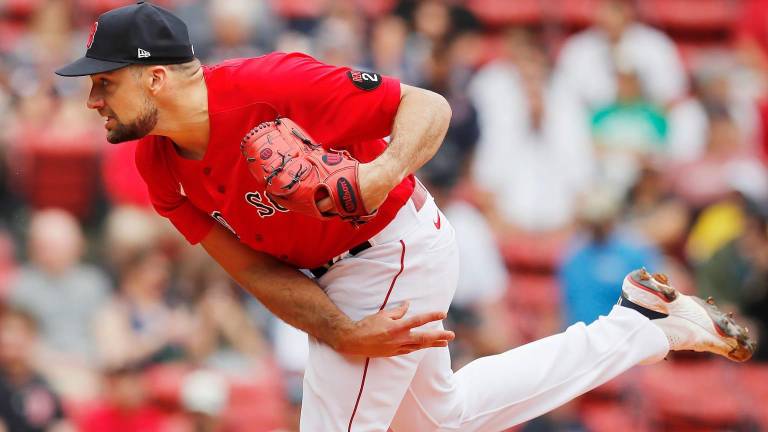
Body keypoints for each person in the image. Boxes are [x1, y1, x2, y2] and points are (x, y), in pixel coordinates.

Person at [56, 3, 756, 431]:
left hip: (390, 247)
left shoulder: (271, 82)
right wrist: (340, 329)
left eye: (103, 82)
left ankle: (642, 328)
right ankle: (639, 328)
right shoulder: (158, 165)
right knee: (443, 419)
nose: (93, 100)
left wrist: (377, 172)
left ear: (154, 76)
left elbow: (428, 108)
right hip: (333, 279)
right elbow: (252, 269)